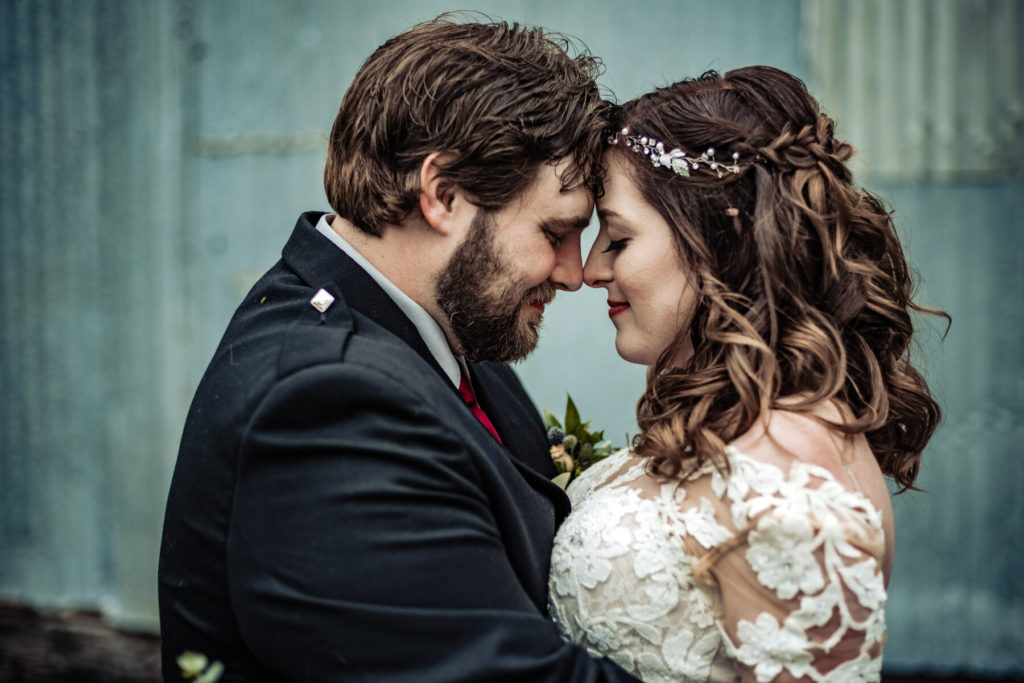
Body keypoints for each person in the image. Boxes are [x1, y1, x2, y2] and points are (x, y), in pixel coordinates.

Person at [158, 16, 641, 682]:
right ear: (442, 193)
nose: (571, 271)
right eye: (554, 231)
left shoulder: (439, 326)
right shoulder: (330, 406)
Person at [548, 66, 946, 682]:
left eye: (619, 238)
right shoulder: (735, 425)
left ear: (717, 240)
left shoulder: (794, 473)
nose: (592, 269)